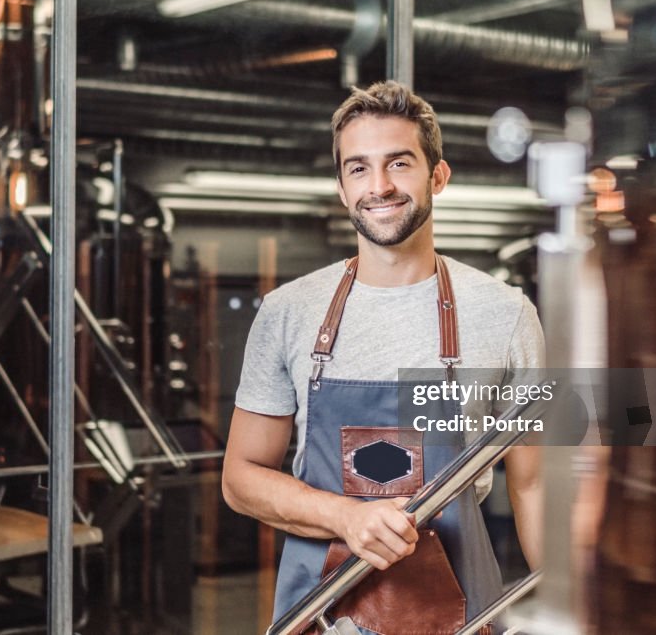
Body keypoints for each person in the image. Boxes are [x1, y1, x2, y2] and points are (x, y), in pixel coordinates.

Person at [222, 81, 543, 633]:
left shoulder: (505, 314)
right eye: (358, 169)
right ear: (343, 189)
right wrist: (346, 516)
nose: (380, 186)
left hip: (460, 612)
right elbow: (240, 477)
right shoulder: (288, 312)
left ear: (437, 176)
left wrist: (568, 605)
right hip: (318, 613)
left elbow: (535, 485)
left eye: (399, 163)